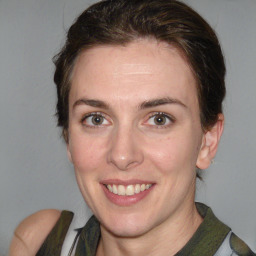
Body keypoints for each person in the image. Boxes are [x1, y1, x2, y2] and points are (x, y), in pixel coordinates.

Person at [9, 0, 255, 255]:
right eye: (96, 119)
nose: (122, 155)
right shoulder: (39, 243)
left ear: (208, 140)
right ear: (68, 136)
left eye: (159, 119)